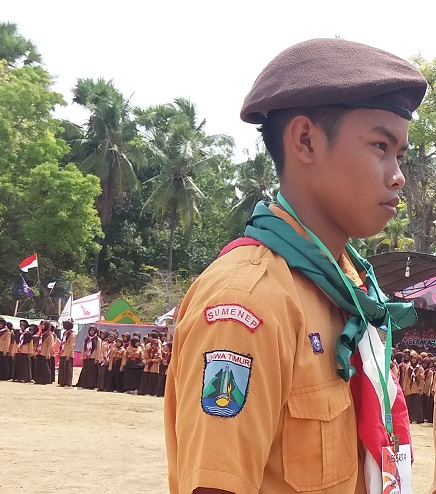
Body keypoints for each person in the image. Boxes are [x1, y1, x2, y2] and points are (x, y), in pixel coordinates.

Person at [165, 38, 427, 494]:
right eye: (380, 146)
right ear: (305, 140)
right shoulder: (249, 301)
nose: (397, 174)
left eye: (399, 155)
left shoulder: (349, 290)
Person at [33, 321, 53, 385]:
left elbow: (50, 345)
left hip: (44, 353)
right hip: (39, 352)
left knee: (44, 367)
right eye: (42, 325)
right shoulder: (41, 334)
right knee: (38, 366)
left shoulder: (49, 335)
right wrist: (34, 351)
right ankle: (38, 379)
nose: (42, 326)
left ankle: (45, 380)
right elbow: (37, 343)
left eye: (44, 325)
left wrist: (48, 353)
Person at [57, 320, 75, 387]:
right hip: (63, 353)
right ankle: (62, 382)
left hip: (68, 353)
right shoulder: (65, 333)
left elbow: (72, 345)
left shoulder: (72, 334)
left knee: (68, 369)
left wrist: (69, 354)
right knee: (62, 368)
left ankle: (68, 382)